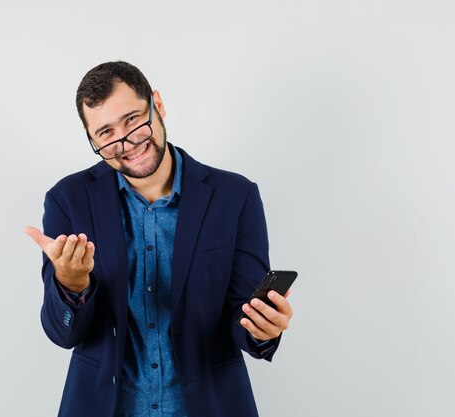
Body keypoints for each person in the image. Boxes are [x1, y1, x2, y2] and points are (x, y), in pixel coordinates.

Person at [24, 61, 294, 417]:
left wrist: (261, 328)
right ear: (92, 140)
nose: (126, 141)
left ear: (158, 105)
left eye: (134, 119)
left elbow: (242, 313)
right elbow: (63, 334)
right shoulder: (67, 200)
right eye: (105, 133)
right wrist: (70, 285)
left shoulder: (235, 196)